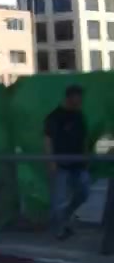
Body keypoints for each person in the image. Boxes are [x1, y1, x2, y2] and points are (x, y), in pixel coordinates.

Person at [45, 84, 90, 240]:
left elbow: (84, 137)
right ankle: (59, 229)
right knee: (59, 199)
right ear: (69, 98)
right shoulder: (55, 116)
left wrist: (86, 156)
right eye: (78, 98)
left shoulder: (79, 116)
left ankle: (65, 218)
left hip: (78, 163)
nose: (80, 101)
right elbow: (47, 139)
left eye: (81, 98)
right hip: (61, 164)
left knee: (84, 193)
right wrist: (51, 161)